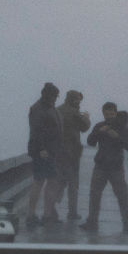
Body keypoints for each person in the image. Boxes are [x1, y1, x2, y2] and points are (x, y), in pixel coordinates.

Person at [81, 102, 128, 234]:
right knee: (94, 195)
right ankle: (92, 223)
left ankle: (127, 222)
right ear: (103, 113)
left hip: (116, 167)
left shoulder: (123, 128)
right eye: (107, 114)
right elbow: (90, 142)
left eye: (112, 114)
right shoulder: (100, 126)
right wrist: (99, 133)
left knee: (122, 196)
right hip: (100, 166)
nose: (109, 116)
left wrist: (117, 137)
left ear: (116, 113)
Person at [26, 82, 64, 228]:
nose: (55, 98)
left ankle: (44, 214)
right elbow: (36, 131)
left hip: (51, 151)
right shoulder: (38, 109)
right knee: (40, 181)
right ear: (46, 95)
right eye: (54, 96)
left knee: (47, 181)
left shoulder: (49, 107)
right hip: (43, 152)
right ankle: (34, 214)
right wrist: (41, 149)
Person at [56, 89, 91, 220]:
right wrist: (87, 118)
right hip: (72, 153)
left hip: (59, 152)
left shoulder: (58, 109)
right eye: (78, 99)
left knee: (59, 181)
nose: (79, 102)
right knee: (73, 184)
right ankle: (72, 213)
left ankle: (51, 209)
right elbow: (84, 127)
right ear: (73, 99)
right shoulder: (74, 112)